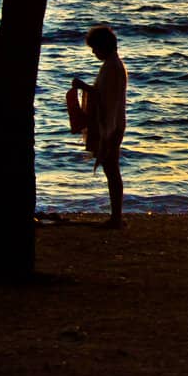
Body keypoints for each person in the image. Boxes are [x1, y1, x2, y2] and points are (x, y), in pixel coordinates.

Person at [71, 25, 128, 228]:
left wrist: (83, 87)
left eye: (95, 48)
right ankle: (116, 216)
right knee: (111, 169)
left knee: (112, 170)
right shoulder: (112, 65)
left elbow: (105, 99)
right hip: (113, 124)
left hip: (111, 125)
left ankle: (116, 217)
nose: (94, 53)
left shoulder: (112, 68)